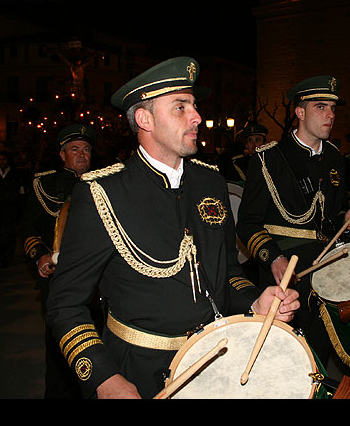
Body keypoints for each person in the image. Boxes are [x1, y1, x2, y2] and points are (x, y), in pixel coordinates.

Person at [45, 57, 300, 399]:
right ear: (144, 118)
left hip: (219, 358)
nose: (196, 116)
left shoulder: (210, 182)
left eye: (193, 105)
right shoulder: (101, 193)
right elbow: (64, 304)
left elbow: (228, 273)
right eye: (180, 107)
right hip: (138, 371)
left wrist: (255, 302)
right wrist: (104, 379)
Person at [236, 75, 350, 366]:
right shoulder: (269, 158)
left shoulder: (335, 158)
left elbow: (329, 220)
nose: (330, 115)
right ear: (300, 112)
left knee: (321, 348)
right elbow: (247, 224)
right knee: (284, 357)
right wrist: (274, 258)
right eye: (321, 107)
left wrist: (348, 219)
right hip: (285, 267)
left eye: (333, 108)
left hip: (326, 264)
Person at [20, 124, 96, 398]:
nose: (82, 155)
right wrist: (39, 255)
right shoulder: (46, 184)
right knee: (61, 351)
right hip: (59, 280)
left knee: (98, 351)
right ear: (62, 154)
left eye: (86, 150)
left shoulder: (104, 183)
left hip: (99, 285)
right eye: (75, 150)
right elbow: (28, 230)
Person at [0, 152, 24, 268]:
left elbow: (20, 193)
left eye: (3, 159)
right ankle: (1, 254)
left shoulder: (15, 174)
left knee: (9, 233)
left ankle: (8, 256)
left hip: (10, 209)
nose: (1, 161)